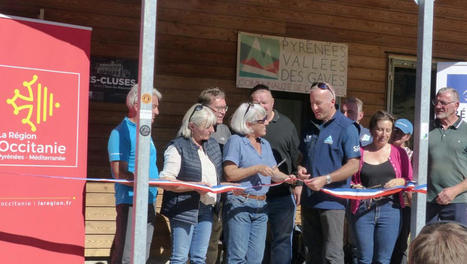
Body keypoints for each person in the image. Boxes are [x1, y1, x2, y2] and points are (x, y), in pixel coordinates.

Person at [223, 102, 295, 264]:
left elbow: (272, 172)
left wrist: (289, 178)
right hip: (240, 204)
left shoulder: (265, 144)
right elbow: (230, 173)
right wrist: (256, 168)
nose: (267, 122)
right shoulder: (235, 141)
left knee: (256, 259)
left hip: (261, 206)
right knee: (237, 257)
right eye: (262, 121)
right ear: (249, 124)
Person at [298, 82, 361, 264]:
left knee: (332, 255)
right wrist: (300, 169)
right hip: (310, 200)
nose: (314, 107)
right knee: (312, 253)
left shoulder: (347, 127)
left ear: (332, 101)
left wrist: (326, 179)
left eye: (318, 103)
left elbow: (354, 165)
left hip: (332, 202)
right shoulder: (309, 126)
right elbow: (302, 159)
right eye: (311, 103)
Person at [159, 103, 223, 264]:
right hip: (184, 208)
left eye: (213, 126)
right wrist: (195, 186)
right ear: (192, 126)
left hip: (207, 208)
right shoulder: (177, 147)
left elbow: (216, 178)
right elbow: (166, 181)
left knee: (199, 258)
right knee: (180, 258)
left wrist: (231, 188)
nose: (212, 131)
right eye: (207, 126)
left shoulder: (212, 145)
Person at [107, 84, 162, 264]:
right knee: (127, 255)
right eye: (153, 106)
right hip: (130, 201)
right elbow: (119, 173)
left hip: (149, 200)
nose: (157, 112)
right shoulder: (121, 132)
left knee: (142, 256)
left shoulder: (144, 132)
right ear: (138, 106)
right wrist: (144, 182)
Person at [349, 111, 413, 264]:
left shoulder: (399, 153)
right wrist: (354, 186)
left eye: (388, 130)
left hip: (390, 210)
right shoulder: (360, 152)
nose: (383, 134)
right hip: (363, 209)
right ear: (371, 130)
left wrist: (401, 181)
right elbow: (348, 180)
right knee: (363, 258)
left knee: (383, 260)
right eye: (379, 129)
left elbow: (409, 180)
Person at [249, 84, 301, 264]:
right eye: (256, 102)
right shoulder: (244, 127)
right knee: (256, 243)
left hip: (282, 197)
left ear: (272, 103)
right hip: (254, 196)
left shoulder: (287, 125)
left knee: (282, 242)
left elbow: (297, 159)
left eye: (264, 102)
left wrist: (298, 185)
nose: (261, 106)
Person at [197, 87, 231, 264]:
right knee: (195, 245)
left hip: (218, 198)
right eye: (218, 108)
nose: (222, 112)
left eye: (225, 108)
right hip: (198, 197)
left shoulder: (225, 130)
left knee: (212, 242)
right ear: (204, 108)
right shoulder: (194, 128)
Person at [427, 87, 467, 226]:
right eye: (436, 102)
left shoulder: (466, 131)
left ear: (456, 105)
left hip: (458, 202)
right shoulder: (426, 131)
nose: (438, 106)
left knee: (456, 246)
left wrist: (455, 191)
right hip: (428, 202)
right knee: (428, 246)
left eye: (443, 103)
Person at [390, 118, 413, 264]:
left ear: (408, 137)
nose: (397, 134)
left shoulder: (412, 155)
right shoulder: (381, 150)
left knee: (400, 245)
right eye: (395, 130)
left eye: (401, 133)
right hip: (383, 202)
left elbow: (412, 181)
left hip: (404, 205)